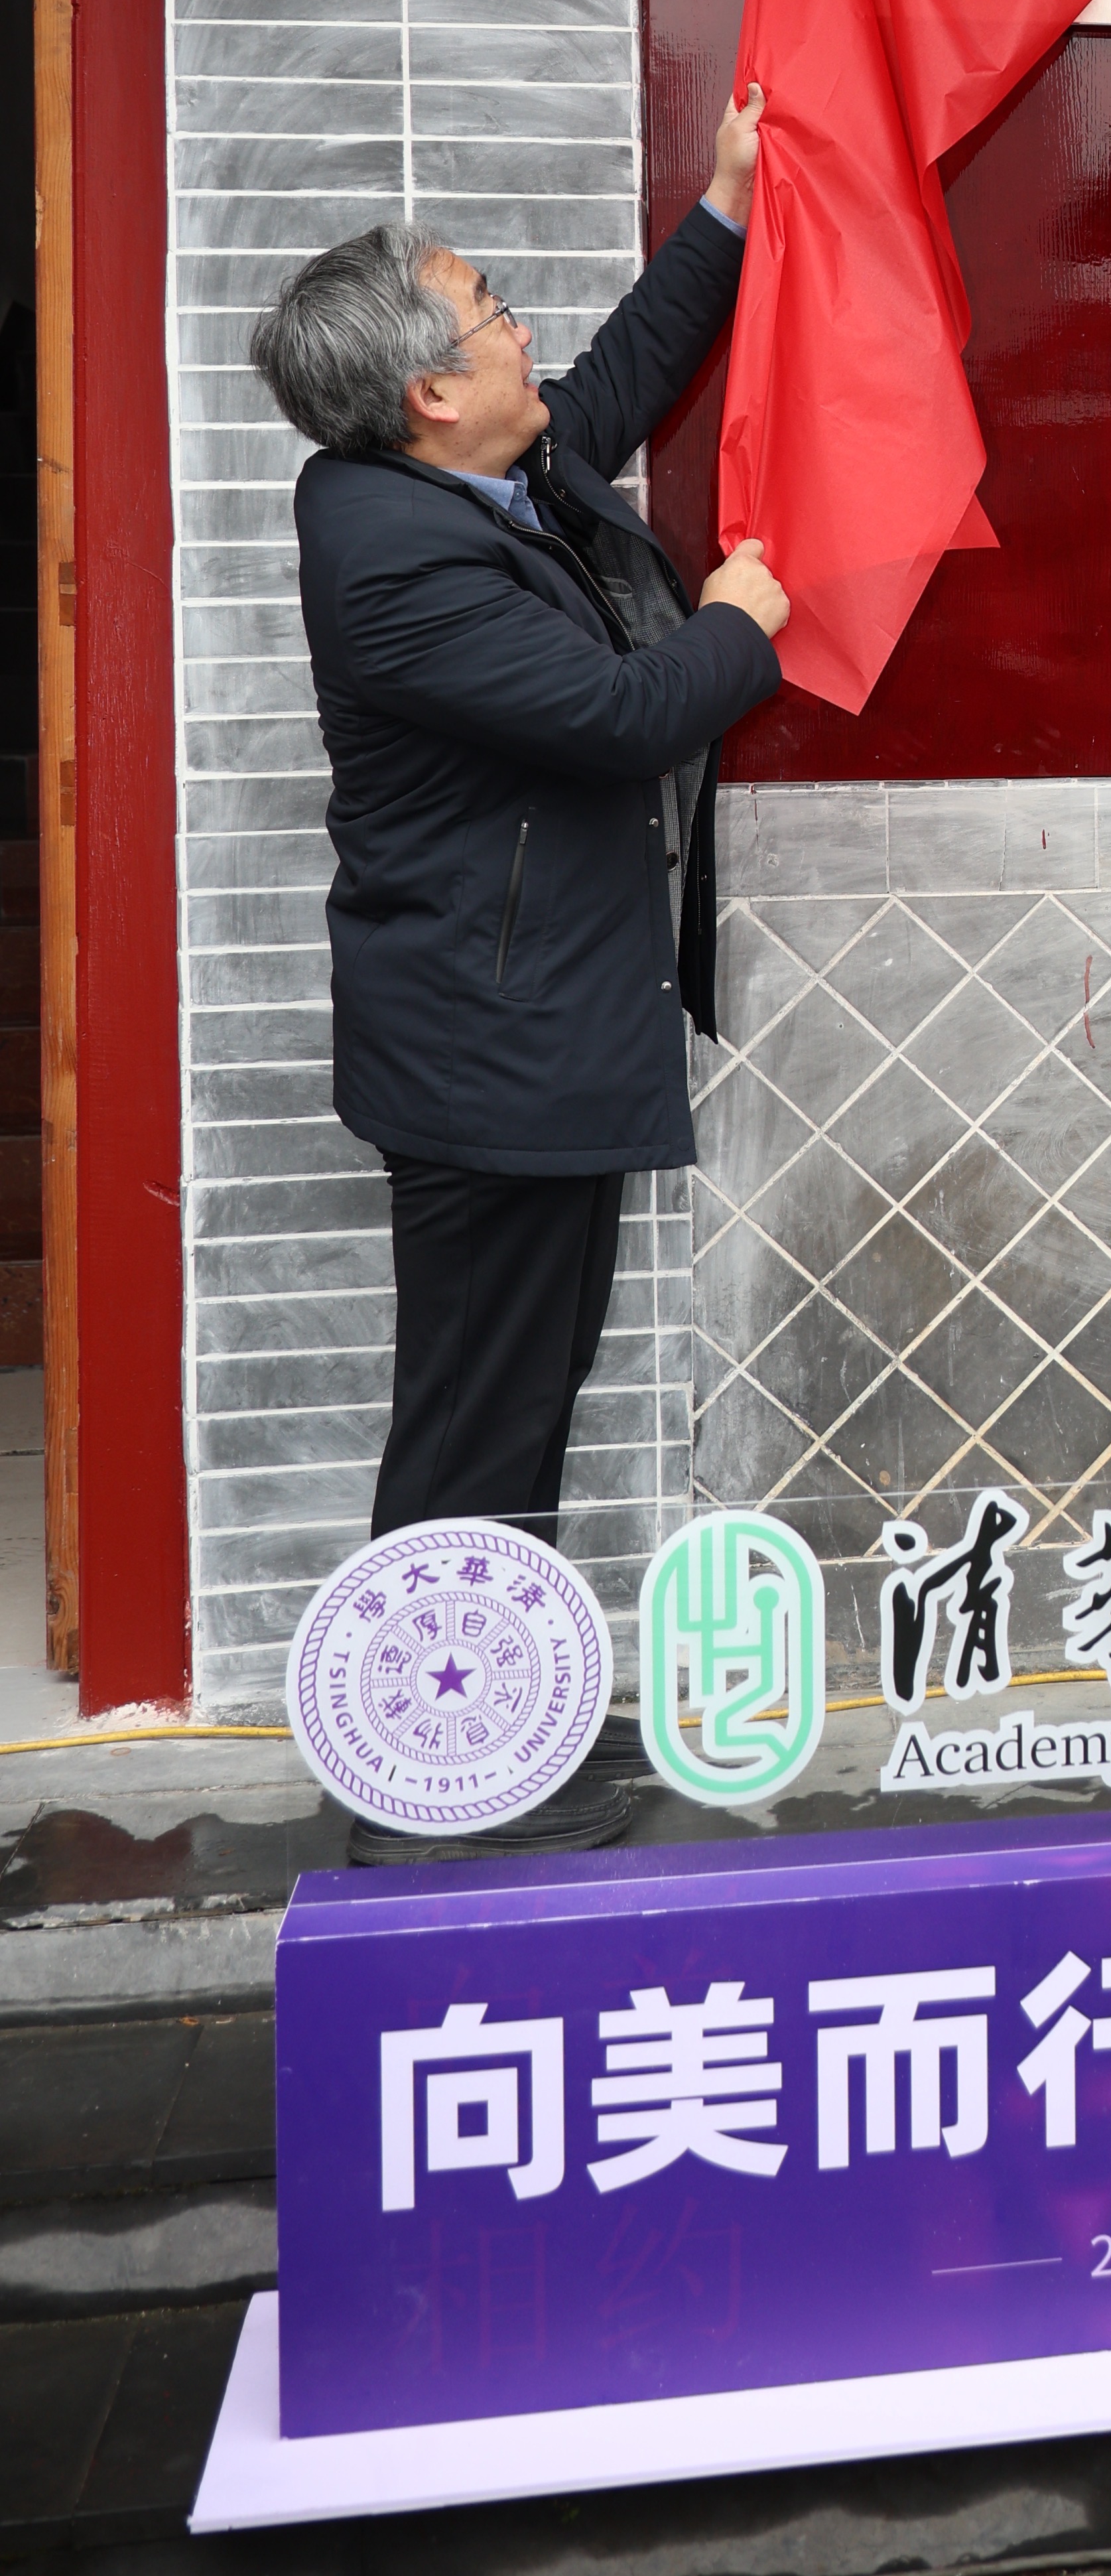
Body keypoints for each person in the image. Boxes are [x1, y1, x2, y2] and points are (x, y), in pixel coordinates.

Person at [249, 89, 791, 1854]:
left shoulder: (461, 478)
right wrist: (745, 624)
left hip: (527, 1039)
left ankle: (496, 1729)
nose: (519, 332)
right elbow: (621, 716)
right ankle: (428, 1800)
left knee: (519, 1402)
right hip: (488, 1059)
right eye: (491, 314)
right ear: (428, 390)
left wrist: (724, 205)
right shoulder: (392, 558)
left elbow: (610, 385)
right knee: (476, 1425)